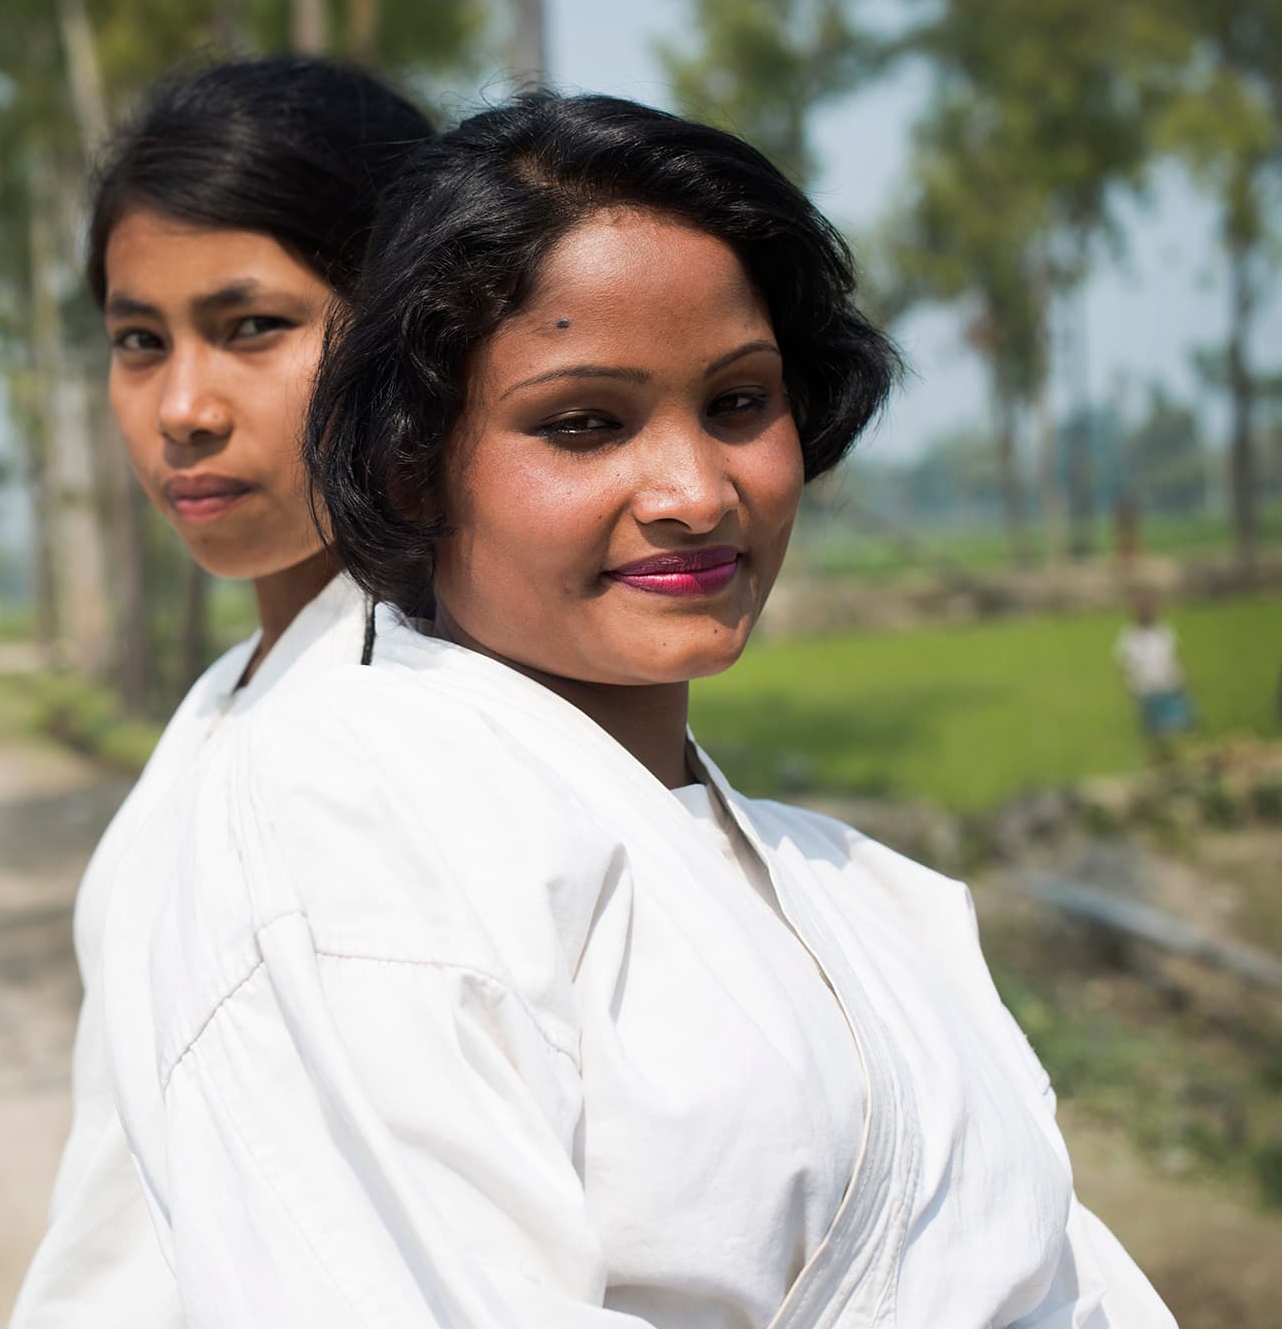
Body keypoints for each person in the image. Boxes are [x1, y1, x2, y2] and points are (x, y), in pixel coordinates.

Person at [98, 94, 1173, 1325]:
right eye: (586, 424)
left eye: (736, 403)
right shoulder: (343, 824)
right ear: (412, 458)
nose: (694, 491)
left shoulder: (854, 889)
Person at [10, 57, 433, 1326]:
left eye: (252, 327)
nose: (182, 409)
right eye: (140, 342)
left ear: (414, 327)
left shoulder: (409, 726)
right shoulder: (232, 703)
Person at [1115, 588, 1193, 747]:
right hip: (1147, 692)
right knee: (1155, 735)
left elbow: (1175, 656)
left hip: (1170, 688)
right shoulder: (1129, 637)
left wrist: (1181, 677)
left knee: (1182, 729)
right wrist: (1129, 685)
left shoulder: (1163, 632)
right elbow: (1123, 664)